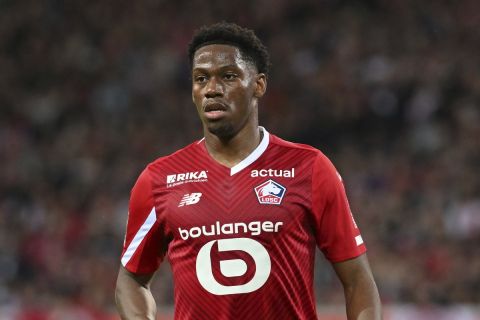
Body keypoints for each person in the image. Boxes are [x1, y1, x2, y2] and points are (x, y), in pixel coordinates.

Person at [115, 22, 382, 320]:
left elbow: (358, 281)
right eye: (200, 78)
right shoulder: (159, 179)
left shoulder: (310, 168)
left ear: (258, 85)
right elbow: (131, 279)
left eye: (228, 76)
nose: (212, 89)